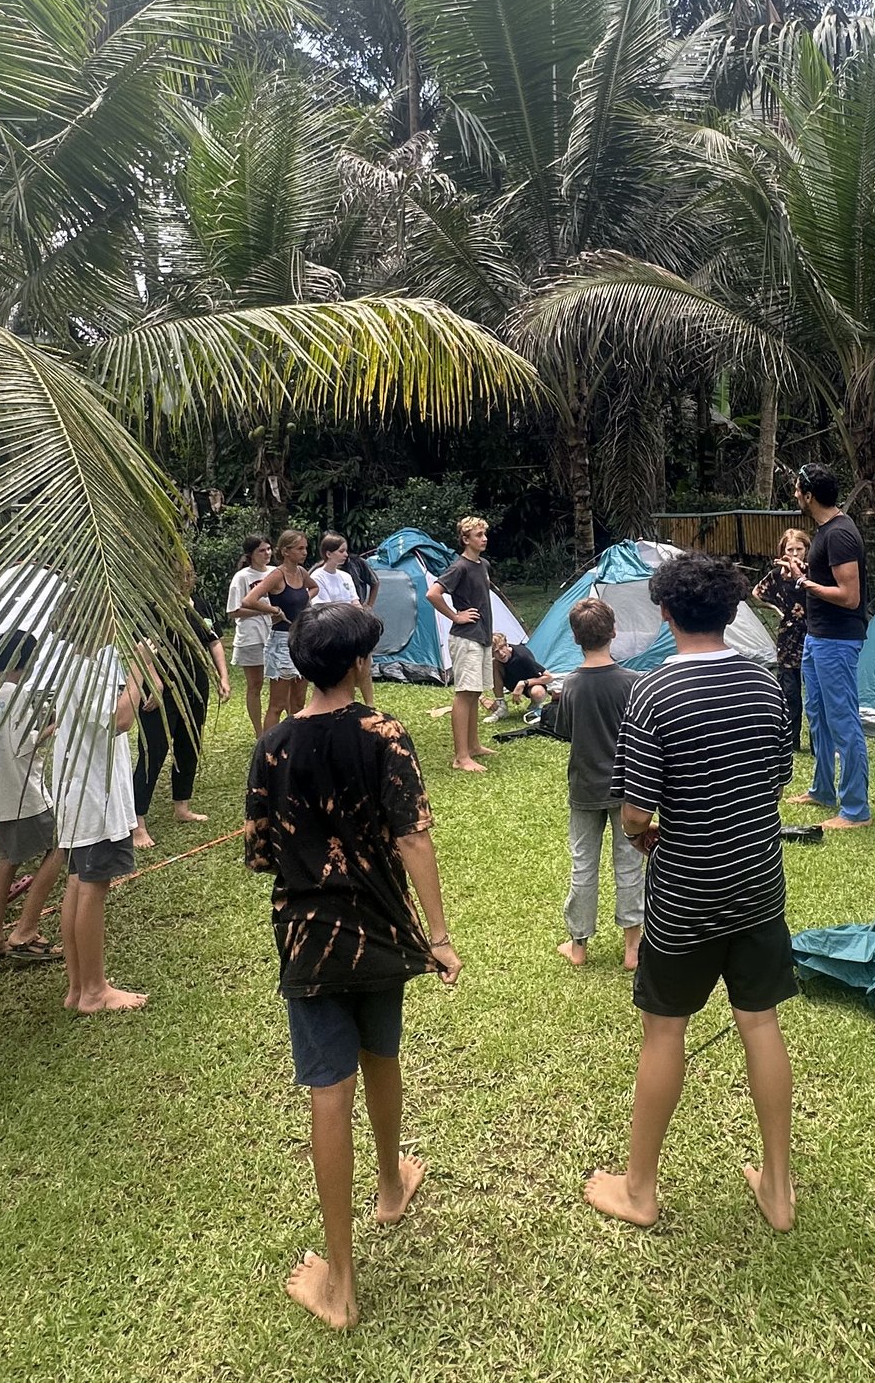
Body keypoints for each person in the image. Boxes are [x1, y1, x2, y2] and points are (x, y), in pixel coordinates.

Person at [243, 601, 462, 1332]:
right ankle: (391, 1183)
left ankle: (341, 1277)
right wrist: (439, 934)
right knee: (383, 1055)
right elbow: (415, 839)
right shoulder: (385, 733)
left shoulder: (271, 745)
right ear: (360, 664)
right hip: (382, 933)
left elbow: (260, 853)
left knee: (327, 1090)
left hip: (309, 941)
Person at [585, 552, 797, 1235]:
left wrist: (652, 841)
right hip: (759, 886)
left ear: (666, 612)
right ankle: (779, 1186)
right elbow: (773, 779)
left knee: (663, 1032)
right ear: (735, 613)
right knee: (760, 1021)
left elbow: (635, 815)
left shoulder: (654, 695)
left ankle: (639, 1188)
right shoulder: (766, 686)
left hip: (684, 895)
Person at [538, 598, 643, 969]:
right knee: (630, 863)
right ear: (613, 632)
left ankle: (578, 945)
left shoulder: (571, 686)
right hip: (628, 789)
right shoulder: (633, 683)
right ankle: (633, 948)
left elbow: (565, 730)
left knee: (583, 864)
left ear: (574, 637)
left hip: (584, 788)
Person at [51, 639, 148, 1014]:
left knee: (79, 882)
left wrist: (140, 680)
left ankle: (79, 987)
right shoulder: (82, 665)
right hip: (93, 793)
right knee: (91, 885)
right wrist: (140, 665)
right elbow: (119, 719)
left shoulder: (95, 655)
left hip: (89, 788)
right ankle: (93, 990)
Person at [0, 628, 65, 965]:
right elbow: (28, 744)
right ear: (27, 659)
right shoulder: (17, 696)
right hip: (22, 793)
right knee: (60, 847)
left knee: (8, 861)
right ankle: (26, 928)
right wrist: (56, 726)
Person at [789, 465, 871, 828]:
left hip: (837, 641)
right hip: (817, 637)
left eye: (796, 489)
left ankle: (856, 810)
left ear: (808, 495)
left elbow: (850, 597)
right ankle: (822, 789)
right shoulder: (824, 531)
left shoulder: (840, 534)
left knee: (843, 721)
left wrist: (806, 584)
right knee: (818, 717)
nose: (794, 494)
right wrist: (804, 573)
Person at [132, 585, 230, 843]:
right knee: (153, 751)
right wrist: (155, 681)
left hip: (196, 685)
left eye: (188, 573)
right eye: (178, 573)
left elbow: (214, 640)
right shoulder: (153, 606)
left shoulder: (199, 604)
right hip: (161, 688)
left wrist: (223, 676)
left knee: (189, 745)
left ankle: (182, 807)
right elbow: (142, 648)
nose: (185, 578)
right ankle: (137, 821)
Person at [427, 515, 495, 773]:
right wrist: (456, 616)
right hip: (465, 637)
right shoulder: (460, 567)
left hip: (482, 636)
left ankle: (474, 745)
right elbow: (432, 593)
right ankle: (461, 757)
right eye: (478, 535)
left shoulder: (483, 564)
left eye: (484, 534)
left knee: (475, 692)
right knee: (464, 694)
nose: (484, 538)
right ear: (466, 539)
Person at [243, 529, 314, 731]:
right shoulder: (277, 575)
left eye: (305, 548)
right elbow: (249, 600)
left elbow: (313, 587)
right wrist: (273, 609)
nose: (305, 552)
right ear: (285, 551)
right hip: (282, 640)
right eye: (300, 548)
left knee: (299, 701)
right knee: (278, 703)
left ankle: (295, 743)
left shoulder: (301, 572)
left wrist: (305, 602)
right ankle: (269, 748)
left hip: (302, 639)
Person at [751, 526, 810, 742]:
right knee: (790, 692)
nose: (795, 554)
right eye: (790, 549)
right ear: (783, 550)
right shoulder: (776, 575)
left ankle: (817, 740)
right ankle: (791, 739)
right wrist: (777, 608)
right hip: (788, 637)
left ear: (806, 549)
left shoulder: (811, 572)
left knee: (814, 692)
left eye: (799, 549)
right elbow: (757, 592)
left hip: (811, 634)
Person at [311, 532, 381, 708]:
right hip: (332, 632)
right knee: (338, 672)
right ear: (328, 553)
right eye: (341, 551)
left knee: (364, 666)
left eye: (346, 551)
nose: (346, 555)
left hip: (353, 628)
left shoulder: (346, 577)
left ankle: (370, 705)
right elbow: (324, 608)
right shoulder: (318, 577)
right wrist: (348, 611)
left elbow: (355, 602)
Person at [227, 536, 274, 735]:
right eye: (262, 551)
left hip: (275, 634)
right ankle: (259, 732)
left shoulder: (275, 573)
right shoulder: (242, 577)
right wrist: (264, 610)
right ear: (251, 555)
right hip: (251, 636)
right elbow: (233, 611)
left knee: (280, 683)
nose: (267, 554)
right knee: (255, 685)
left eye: (269, 549)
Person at [489, 631, 551, 718]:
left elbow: (549, 677)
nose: (501, 653)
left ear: (507, 645)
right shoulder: (495, 660)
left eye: (502, 648)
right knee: (495, 663)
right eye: (496, 652)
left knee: (538, 693)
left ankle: (535, 705)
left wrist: (523, 683)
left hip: (530, 684)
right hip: (511, 681)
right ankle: (501, 706)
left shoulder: (522, 656)